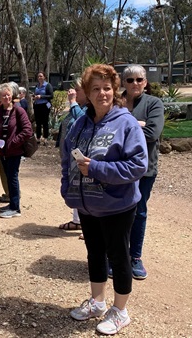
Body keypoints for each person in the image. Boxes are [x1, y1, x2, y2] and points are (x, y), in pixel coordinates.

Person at [61, 64, 148, 335]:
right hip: (88, 206)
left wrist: (98, 169)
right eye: (96, 89)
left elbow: (138, 165)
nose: (102, 94)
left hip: (117, 206)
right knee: (94, 254)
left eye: (107, 88)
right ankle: (97, 302)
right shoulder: (79, 123)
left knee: (119, 258)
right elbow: (67, 158)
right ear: (86, 92)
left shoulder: (126, 122)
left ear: (115, 90)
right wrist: (68, 189)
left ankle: (120, 311)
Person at [121, 65, 164, 280]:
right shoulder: (115, 102)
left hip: (144, 169)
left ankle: (135, 257)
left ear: (145, 82)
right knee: (116, 211)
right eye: (129, 80)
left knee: (139, 211)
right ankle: (117, 256)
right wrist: (136, 124)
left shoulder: (153, 103)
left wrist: (125, 125)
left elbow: (152, 133)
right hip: (117, 168)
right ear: (123, 83)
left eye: (139, 79)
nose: (134, 83)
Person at [0, 83, 33, 218]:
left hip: (14, 151)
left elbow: (27, 130)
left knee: (13, 177)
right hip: (2, 152)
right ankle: (11, 203)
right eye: (3, 95)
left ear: (12, 95)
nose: (6, 97)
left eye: (8, 94)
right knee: (8, 177)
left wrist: (13, 142)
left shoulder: (19, 111)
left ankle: (15, 208)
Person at [56, 78, 88, 232]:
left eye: (78, 89)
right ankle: (77, 221)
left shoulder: (88, 108)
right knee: (74, 186)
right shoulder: (78, 107)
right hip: (70, 156)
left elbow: (82, 120)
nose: (74, 92)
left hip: (81, 156)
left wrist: (73, 102)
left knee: (83, 188)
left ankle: (87, 225)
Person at [33, 72, 53, 145]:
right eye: (38, 76)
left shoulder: (48, 85)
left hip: (45, 106)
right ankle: (38, 138)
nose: (39, 78)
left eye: (41, 76)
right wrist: (34, 97)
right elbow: (35, 94)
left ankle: (45, 139)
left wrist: (41, 96)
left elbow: (51, 96)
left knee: (45, 122)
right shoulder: (37, 86)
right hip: (37, 105)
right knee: (38, 123)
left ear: (44, 77)